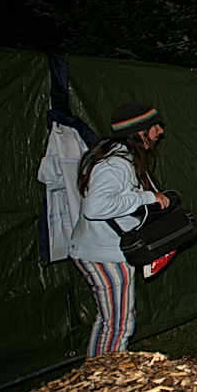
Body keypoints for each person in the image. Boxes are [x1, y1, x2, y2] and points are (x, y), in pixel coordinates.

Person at [69, 103, 171, 357]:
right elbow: (95, 207)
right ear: (139, 131)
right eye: (155, 126)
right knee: (118, 325)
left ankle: (98, 378)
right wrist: (146, 198)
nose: (160, 131)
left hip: (105, 250)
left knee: (112, 320)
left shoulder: (122, 158)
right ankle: (105, 383)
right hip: (103, 253)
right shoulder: (116, 163)